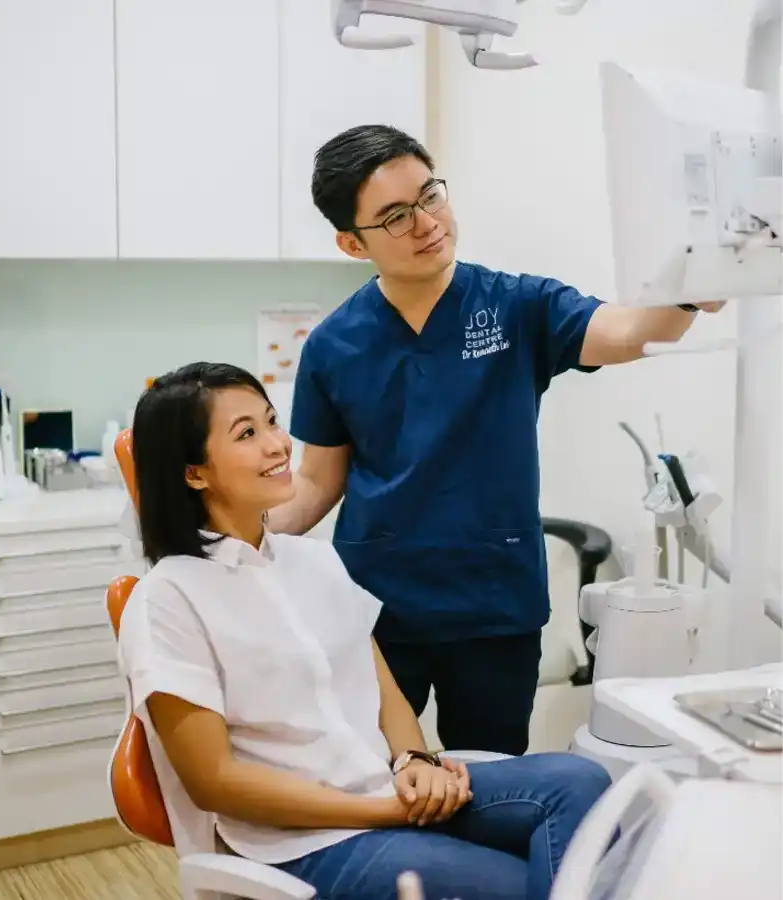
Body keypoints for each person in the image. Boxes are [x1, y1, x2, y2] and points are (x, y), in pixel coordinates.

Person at [268, 124, 725, 756]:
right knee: (375, 777)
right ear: (352, 242)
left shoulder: (517, 305)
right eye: (396, 216)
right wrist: (230, 544)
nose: (427, 222)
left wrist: (688, 295)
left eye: (430, 196)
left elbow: (629, 332)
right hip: (377, 610)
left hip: (493, 605)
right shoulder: (332, 345)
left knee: (490, 784)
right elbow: (318, 479)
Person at [118, 362, 612, 900]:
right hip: (303, 840)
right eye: (247, 434)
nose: (278, 445)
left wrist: (415, 762)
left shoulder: (313, 561)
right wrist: (383, 812)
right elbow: (214, 781)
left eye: (271, 422)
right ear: (194, 473)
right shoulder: (169, 597)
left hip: (385, 788)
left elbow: (382, 690)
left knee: (581, 784)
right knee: (526, 884)